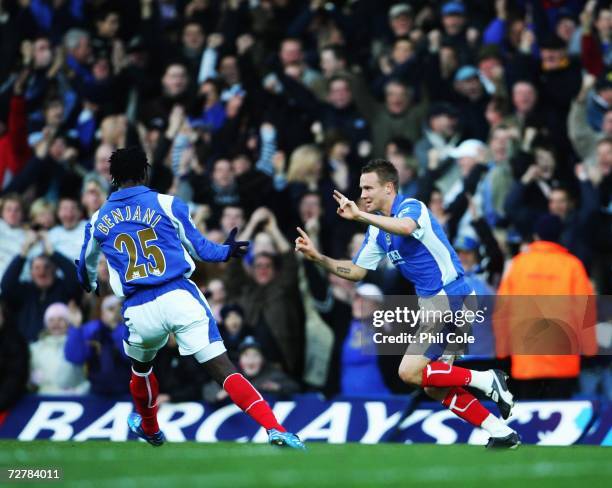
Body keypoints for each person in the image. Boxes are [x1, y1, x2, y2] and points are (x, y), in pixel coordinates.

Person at [75, 146, 304, 449]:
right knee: (223, 368)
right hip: (178, 295)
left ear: (113, 178)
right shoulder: (167, 203)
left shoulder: (98, 218)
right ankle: (275, 428)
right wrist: (227, 250)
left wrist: (90, 282)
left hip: (138, 308)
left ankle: (151, 428)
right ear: (145, 172)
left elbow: (86, 269)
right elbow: (201, 249)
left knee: (141, 370)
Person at [295, 159, 519, 449]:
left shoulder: (412, 207)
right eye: (361, 188)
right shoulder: (377, 230)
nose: (362, 195)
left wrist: (361, 217)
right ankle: (500, 430)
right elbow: (357, 271)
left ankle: (487, 379)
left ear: (389, 188)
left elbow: (405, 227)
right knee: (434, 387)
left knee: (408, 371)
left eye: (368, 188)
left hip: (450, 296)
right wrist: (319, 258)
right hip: (438, 304)